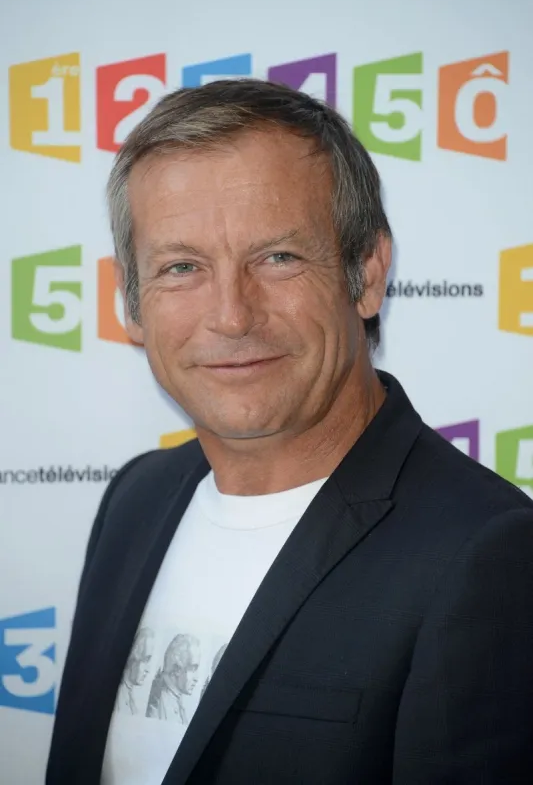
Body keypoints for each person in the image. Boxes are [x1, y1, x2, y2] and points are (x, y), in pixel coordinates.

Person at [46, 79, 533, 785]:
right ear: (132, 303)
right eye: (181, 267)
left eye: (278, 257)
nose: (231, 316)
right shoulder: (135, 499)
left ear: (366, 273)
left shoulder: (484, 554)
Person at [146, 634, 201, 724]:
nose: (196, 678)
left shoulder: (176, 699)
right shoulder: (157, 702)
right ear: (177, 669)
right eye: (192, 669)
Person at [115, 626, 154, 715]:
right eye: (145, 660)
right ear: (132, 657)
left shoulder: (130, 697)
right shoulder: (119, 696)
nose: (148, 670)